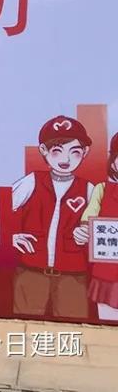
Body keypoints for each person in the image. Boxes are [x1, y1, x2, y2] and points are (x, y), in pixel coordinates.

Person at [10, 116, 94, 320]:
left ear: (85, 152)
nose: (66, 160)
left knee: (73, 324)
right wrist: (11, 235)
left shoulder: (88, 189)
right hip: (31, 271)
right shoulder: (32, 181)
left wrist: (87, 234)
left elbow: (101, 227)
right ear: (43, 151)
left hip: (72, 276)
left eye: (74, 152)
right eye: (57, 151)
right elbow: (1, 207)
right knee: (25, 323)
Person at [82, 132, 118, 321]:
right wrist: (83, 231)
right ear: (113, 161)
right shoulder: (102, 190)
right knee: (107, 325)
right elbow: (88, 220)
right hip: (107, 274)